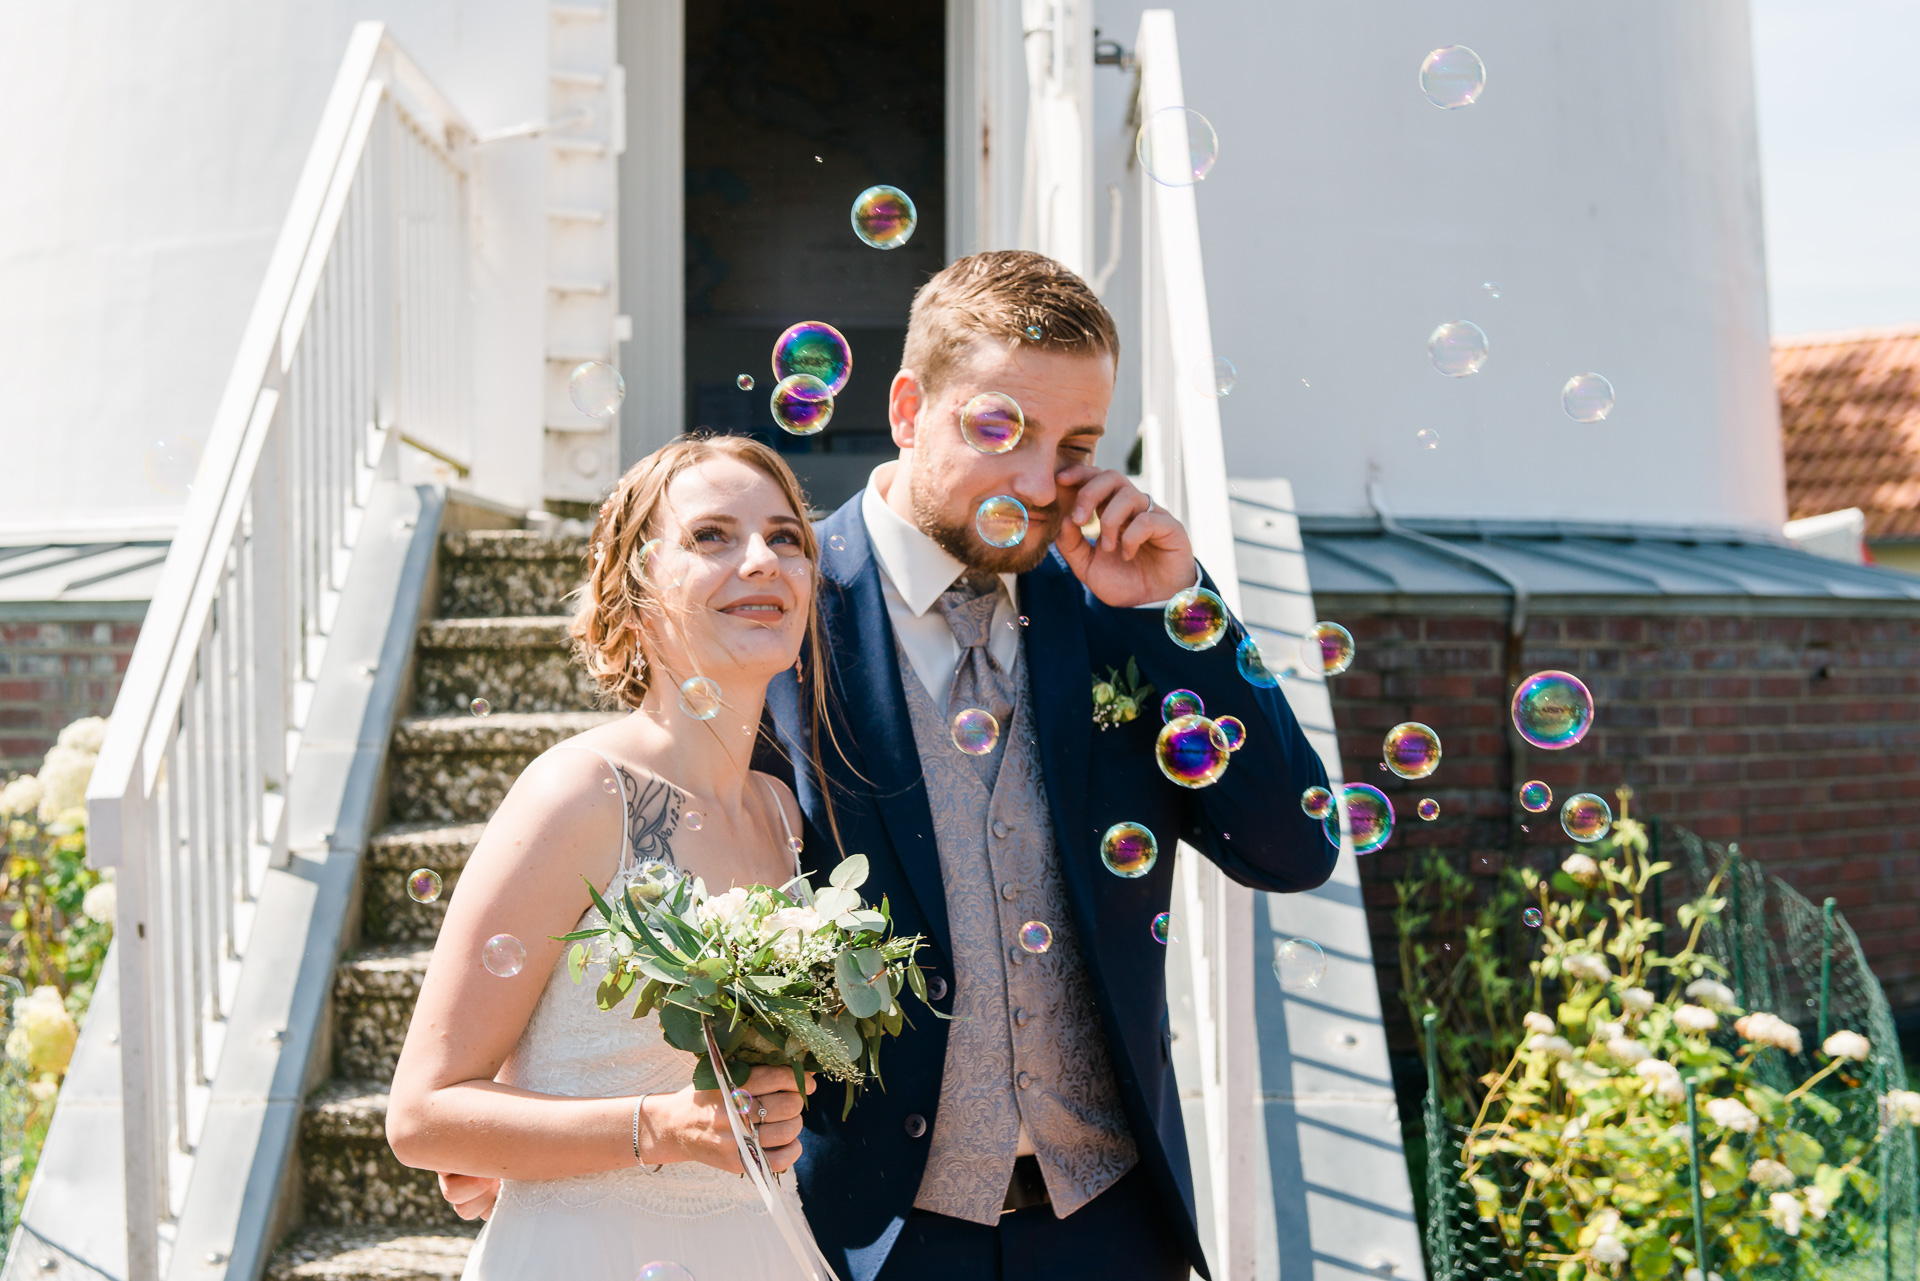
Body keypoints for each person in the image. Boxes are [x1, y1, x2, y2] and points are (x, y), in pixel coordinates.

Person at [435, 249, 1335, 1280]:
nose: (1043, 482)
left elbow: (1294, 849)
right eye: (1002, 430)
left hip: (1113, 1229)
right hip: (868, 1234)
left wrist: (1188, 613)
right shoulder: (769, 610)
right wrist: (517, 1107)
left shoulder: (1121, 607)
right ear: (908, 407)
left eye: (1077, 444)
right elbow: (645, 864)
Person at [387, 436, 837, 1279]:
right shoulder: (580, 794)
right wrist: (660, 1128)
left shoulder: (781, 813)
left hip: (758, 1244)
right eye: (712, 536)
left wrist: (776, 1102)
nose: (763, 559)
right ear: (636, 593)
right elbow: (422, 1114)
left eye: (786, 538)